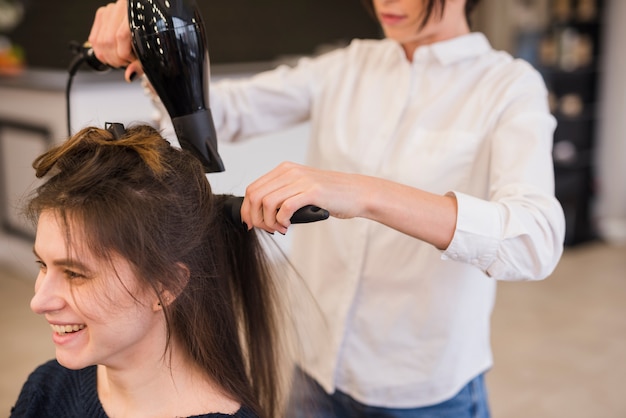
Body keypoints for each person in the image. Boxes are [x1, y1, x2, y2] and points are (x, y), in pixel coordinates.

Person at [88, 0, 566, 416]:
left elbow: (533, 239)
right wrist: (156, 51)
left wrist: (364, 193)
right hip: (315, 374)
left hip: (425, 390)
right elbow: (227, 111)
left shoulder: (507, 86)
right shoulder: (347, 65)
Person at [10, 124, 289, 418]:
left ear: (167, 284)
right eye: (43, 265)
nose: (39, 302)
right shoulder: (49, 388)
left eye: (75, 274)